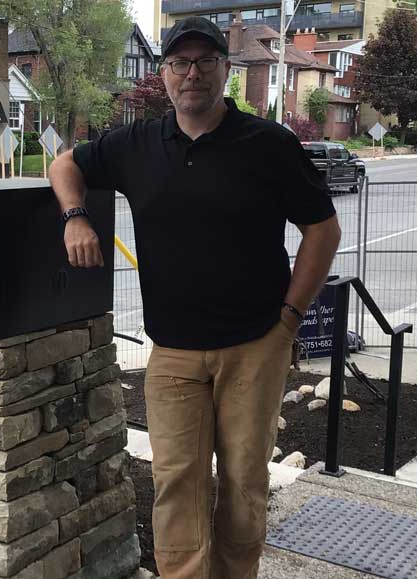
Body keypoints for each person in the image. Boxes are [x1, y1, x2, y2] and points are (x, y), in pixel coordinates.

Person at [48, 16, 341, 579]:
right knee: (175, 482)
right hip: (174, 351)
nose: (193, 74)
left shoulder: (268, 144)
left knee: (243, 483)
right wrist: (75, 217)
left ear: (225, 71)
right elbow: (65, 163)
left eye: (206, 62)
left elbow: (322, 231)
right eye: (180, 63)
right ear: (164, 74)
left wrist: (289, 320)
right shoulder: (137, 144)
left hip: (256, 343)